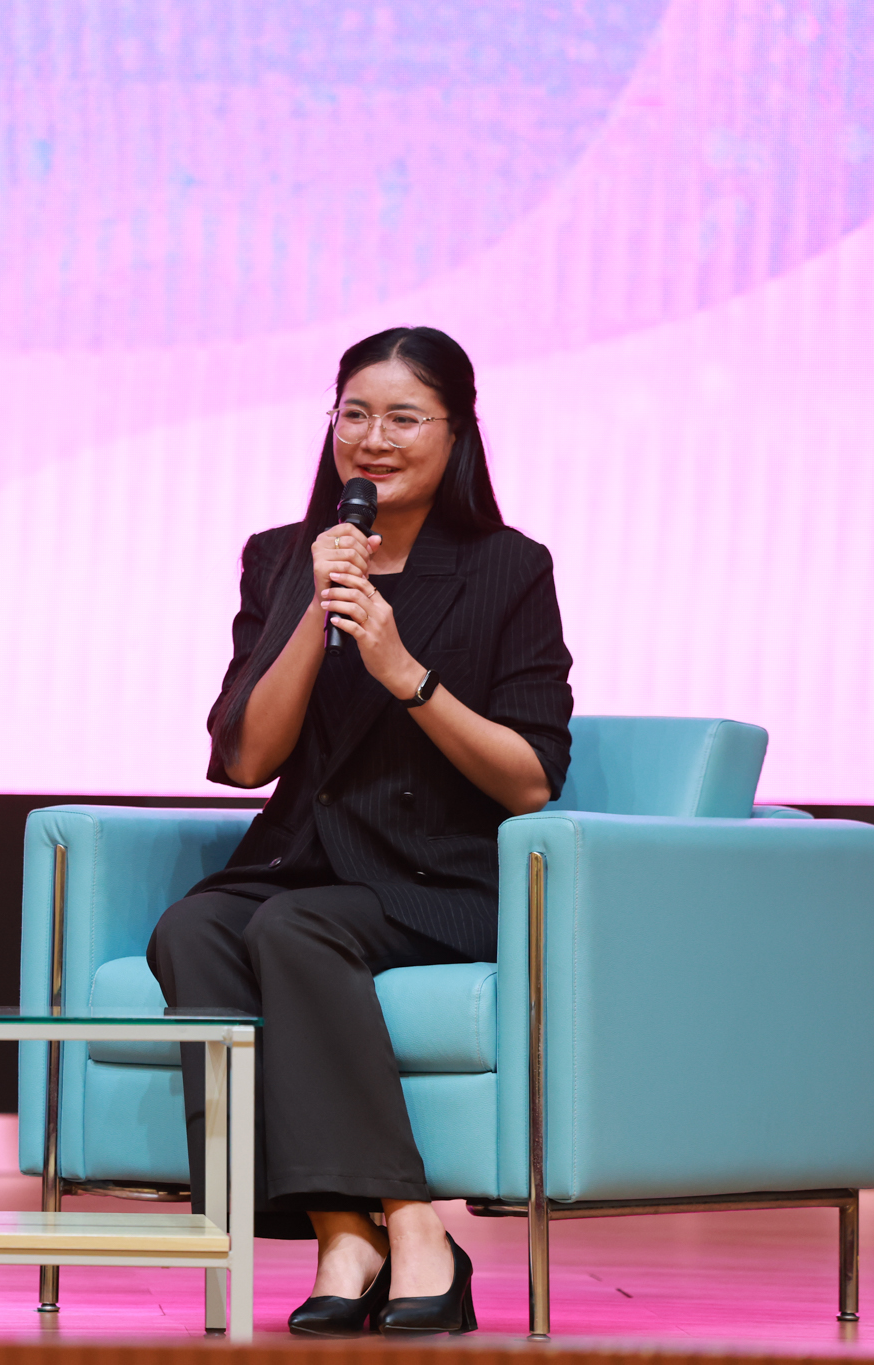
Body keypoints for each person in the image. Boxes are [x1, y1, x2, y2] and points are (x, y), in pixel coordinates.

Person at [147, 327, 573, 1337]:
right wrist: (313, 605)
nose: (372, 439)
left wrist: (402, 671)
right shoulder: (280, 557)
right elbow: (246, 760)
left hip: (438, 877)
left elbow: (529, 779)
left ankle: (410, 1222)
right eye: (354, 414)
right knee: (192, 928)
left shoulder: (508, 568)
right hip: (304, 858)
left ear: (457, 432)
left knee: (293, 928)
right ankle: (347, 1228)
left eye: (403, 418)